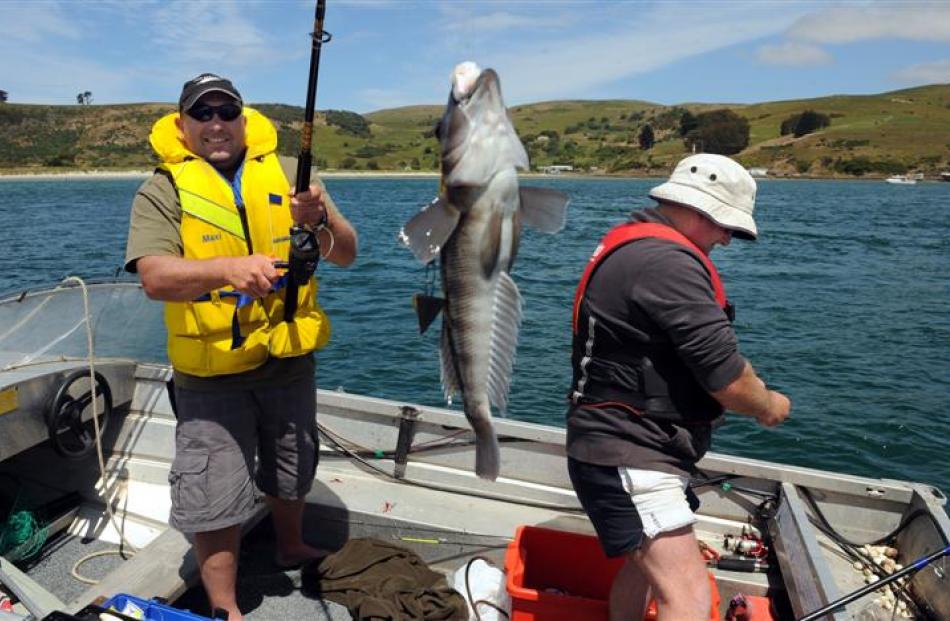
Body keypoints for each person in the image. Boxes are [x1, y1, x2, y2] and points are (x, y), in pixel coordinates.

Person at [124, 73, 357, 620]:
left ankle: (291, 545)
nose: (215, 123)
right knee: (215, 488)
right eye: (200, 114)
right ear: (182, 128)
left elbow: (345, 253)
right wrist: (228, 269)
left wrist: (320, 219)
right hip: (211, 375)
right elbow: (155, 278)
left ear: (242, 118)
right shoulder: (161, 189)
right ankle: (226, 606)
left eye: (225, 110)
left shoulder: (289, 176)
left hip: (288, 357)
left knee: (294, 463)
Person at [567, 153, 790, 621]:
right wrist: (769, 405)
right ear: (697, 208)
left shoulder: (638, 247)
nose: (728, 239)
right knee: (687, 595)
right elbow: (728, 380)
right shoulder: (667, 263)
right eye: (726, 226)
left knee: (647, 572)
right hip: (631, 452)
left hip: (620, 445)